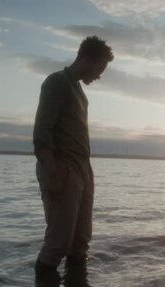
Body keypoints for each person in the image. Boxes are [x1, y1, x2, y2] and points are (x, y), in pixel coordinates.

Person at [32, 36, 114, 274]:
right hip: (61, 167)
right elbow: (42, 132)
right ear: (87, 60)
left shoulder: (80, 93)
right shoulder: (57, 82)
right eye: (99, 69)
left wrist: (87, 174)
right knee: (59, 242)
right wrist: (53, 173)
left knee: (80, 242)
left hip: (82, 170)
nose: (99, 75)